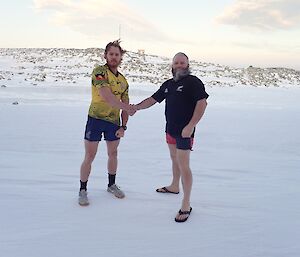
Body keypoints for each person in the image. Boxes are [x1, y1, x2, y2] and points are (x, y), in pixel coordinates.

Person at [133, 52, 209, 222]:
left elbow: (202, 103)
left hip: (185, 132)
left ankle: (186, 204)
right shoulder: (168, 84)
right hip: (171, 129)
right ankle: (175, 186)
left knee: (184, 165)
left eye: (183, 62)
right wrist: (136, 107)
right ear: (172, 65)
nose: (180, 65)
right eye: (177, 62)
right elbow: (153, 99)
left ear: (187, 65)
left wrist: (190, 126)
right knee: (174, 159)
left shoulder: (193, 82)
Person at [78, 40, 136, 206]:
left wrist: (124, 125)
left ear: (120, 57)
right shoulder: (99, 72)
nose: (113, 57)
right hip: (95, 119)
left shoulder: (124, 81)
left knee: (113, 153)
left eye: (117, 54)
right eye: (111, 54)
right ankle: (83, 189)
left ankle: (111, 184)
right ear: (105, 55)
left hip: (113, 121)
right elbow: (106, 96)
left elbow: (125, 106)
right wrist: (126, 107)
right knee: (90, 155)